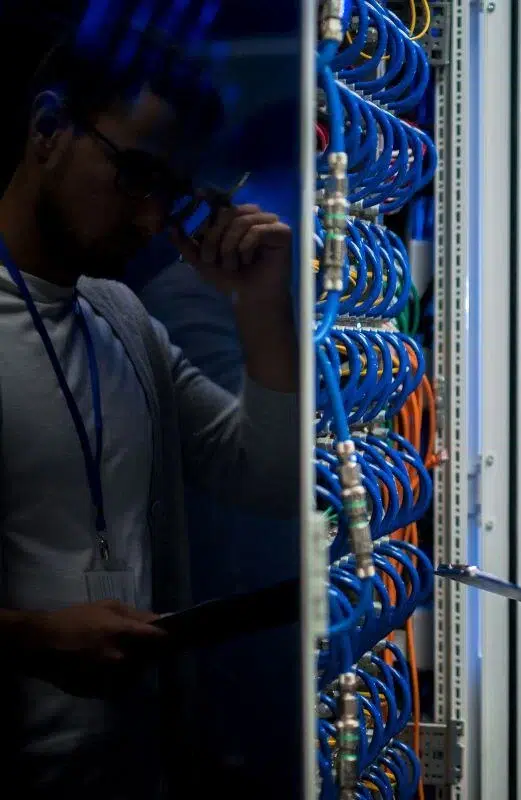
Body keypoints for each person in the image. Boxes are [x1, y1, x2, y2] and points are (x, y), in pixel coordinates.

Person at [0, 35, 299, 799]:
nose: (147, 217)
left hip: (132, 768)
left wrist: (262, 303)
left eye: (167, 190)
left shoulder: (122, 318)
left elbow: (265, 480)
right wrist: (30, 639)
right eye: (132, 174)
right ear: (47, 133)